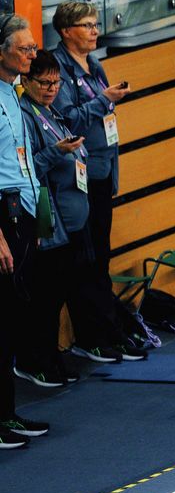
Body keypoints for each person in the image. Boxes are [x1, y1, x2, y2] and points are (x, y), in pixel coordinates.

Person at [49, 0, 143, 362]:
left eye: (95, 24)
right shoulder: (57, 67)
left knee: (100, 257)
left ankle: (108, 330)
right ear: (65, 31)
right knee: (85, 260)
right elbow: (65, 120)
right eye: (86, 25)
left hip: (103, 172)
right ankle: (92, 335)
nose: (94, 31)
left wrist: (106, 100)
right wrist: (102, 101)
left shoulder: (95, 64)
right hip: (77, 178)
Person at [21, 53, 106, 390]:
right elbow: (29, 169)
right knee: (44, 299)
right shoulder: (26, 116)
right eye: (44, 82)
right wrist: (58, 150)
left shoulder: (51, 109)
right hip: (50, 223)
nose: (52, 88)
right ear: (26, 82)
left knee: (59, 295)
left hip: (72, 219)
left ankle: (52, 356)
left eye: (56, 82)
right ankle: (35, 362)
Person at [0, 14, 52, 447]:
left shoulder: (15, 95)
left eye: (34, 47)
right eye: (24, 48)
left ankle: (8, 413)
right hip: (4, 216)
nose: (33, 55)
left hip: (23, 212)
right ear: (1, 51)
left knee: (13, 320)